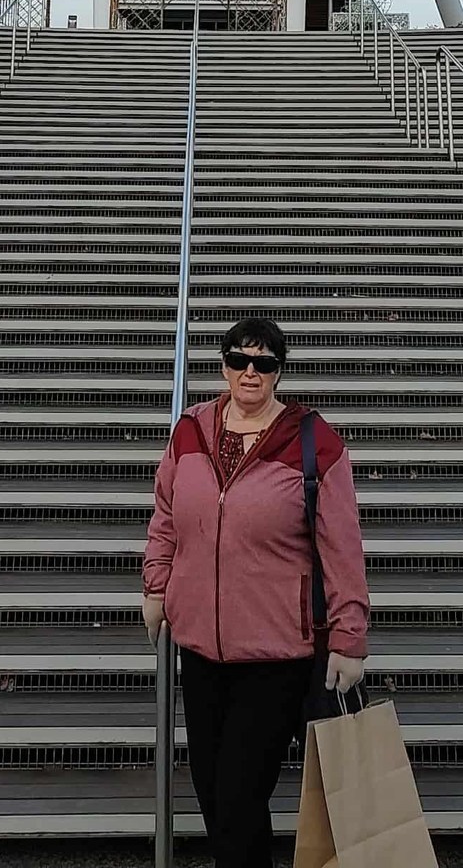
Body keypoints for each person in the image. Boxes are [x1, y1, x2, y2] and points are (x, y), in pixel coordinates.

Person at [142, 315, 370, 868]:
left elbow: (341, 544)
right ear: (223, 366)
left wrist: (349, 635)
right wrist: (156, 583)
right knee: (214, 792)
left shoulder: (313, 442)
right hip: (199, 647)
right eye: (239, 360)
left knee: (240, 793)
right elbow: (166, 516)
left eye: (264, 363)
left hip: (275, 654)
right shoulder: (190, 430)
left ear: (278, 373)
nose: (251, 372)